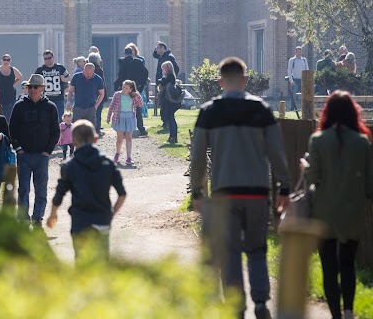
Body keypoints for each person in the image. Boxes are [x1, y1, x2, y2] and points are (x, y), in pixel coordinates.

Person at [191, 57, 290, 319]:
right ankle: (260, 302)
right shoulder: (261, 110)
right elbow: (277, 153)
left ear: (220, 82)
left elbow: (198, 156)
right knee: (257, 249)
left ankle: (235, 306)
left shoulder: (209, 112)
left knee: (230, 251)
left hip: (224, 193)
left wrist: (197, 192)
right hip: (257, 192)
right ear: (245, 80)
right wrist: (285, 187)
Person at [301, 91, 372, 319]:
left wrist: (305, 167)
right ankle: (350, 312)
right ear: (353, 113)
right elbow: (369, 185)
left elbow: (313, 178)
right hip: (352, 213)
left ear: (327, 112)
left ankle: (335, 315)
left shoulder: (318, 140)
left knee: (329, 267)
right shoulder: (363, 143)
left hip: (324, 213)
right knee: (348, 264)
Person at [47, 120, 126, 261]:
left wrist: (53, 214)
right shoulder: (108, 163)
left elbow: (59, 194)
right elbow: (122, 194)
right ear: (95, 139)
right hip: (102, 218)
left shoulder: (69, 166)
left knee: (82, 259)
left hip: (80, 220)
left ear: (74, 141)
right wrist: (111, 214)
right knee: (102, 260)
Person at [10, 74, 60, 227]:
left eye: (35, 87)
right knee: (23, 188)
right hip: (24, 155)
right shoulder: (19, 106)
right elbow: (12, 128)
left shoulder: (50, 107)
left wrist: (48, 151)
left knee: (41, 189)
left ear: (42, 88)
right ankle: (23, 217)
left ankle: (38, 217)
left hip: (42, 155)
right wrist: (18, 148)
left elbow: (55, 131)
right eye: (30, 87)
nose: (32, 89)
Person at [106, 79, 143, 166]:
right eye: (123, 87)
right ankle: (117, 153)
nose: (124, 89)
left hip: (130, 117)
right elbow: (112, 106)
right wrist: (108, 117)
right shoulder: (117, 95)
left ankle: (129, 157)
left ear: (130, 89)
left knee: (129, 138)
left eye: (126, 88)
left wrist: (137, 95)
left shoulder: (133, 96)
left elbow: (140, 104)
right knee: (120, 138)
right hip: (119, 117)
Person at [114, 46, 149, 136]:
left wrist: (118, 86)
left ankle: (124, 128)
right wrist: (141, 85)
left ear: (125, 54)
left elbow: (120, 75)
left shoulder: (122, 61)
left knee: (124, 108)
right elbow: (145, 74)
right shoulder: (139, 62)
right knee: (137, 108)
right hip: (135, 88)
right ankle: (141, 128)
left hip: (125, 87)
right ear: (132, 53)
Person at [35, 49, 71, 121]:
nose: (48, 60)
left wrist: (64, 79)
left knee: (59, 119)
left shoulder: (60, 67)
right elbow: (34, 82)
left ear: (53, 57)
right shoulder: (40, 70)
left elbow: (69, 77)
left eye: (49, 58)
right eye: (45, 59)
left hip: (59, 98)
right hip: (45, 99)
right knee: (46, 119)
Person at [66, 63, 105, 128]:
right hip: (78, 108)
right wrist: (68, 103)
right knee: (76, 130)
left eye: (91, 73)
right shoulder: (76, 77)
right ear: (84, 70)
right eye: (87, 73)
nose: (88, 75)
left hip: (91, 108)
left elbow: (102, 94)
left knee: (90, 131)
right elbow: (70, 91)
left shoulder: (98, 79)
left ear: (93, 71)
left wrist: (95, 106)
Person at [153, 41, 180, 129]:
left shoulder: (169, 57)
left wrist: (168, 79)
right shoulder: (162, 56)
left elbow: (176, 68)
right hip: (162, 83)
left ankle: (167, 123)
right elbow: (154, 55)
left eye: (157, 48)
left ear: (162, 48)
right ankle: (165, 122)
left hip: (166, 85)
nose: (156, 50)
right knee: (162, 104)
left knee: (166, 105)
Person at [0, 53, 23, 123]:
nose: (6, 61)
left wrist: (13, 83)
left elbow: (20, 77)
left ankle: (9, 132)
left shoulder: (13, 70)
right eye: (4, 59)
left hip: (10, 97)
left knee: (9, 117)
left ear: (10, 61)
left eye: (8, 60)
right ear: (1, 60)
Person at [159, 61, 182, 144]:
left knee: (171, 118)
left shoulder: (170, 76)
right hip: (170, 101)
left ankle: (173, 137)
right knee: (170, 118)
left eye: (164, 68)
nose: (162, 71)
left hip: (170, 102)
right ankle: (172, 137)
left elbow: (163, 83)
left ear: (167, 68)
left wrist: (162, 80)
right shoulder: (170, 77)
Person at [87, 50, 107, 137]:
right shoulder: (99, 69)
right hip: (98, 94)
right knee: (98, 113)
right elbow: (102, 84)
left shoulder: (86, 69)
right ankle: (97, 130)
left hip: (89, 94)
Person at [287, 46, 309, 111]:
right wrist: (291, 80)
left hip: (303, 80)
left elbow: (307, 70)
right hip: (295, 80)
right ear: (295, 52)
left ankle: (305, 108)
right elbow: (289, 70)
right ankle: (292, 109)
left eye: (300, 52)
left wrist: (307, 80)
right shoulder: (292, 60)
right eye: (298, 52)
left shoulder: (304, 60)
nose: (299, 53)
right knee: (293, 95)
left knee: (305, 94)